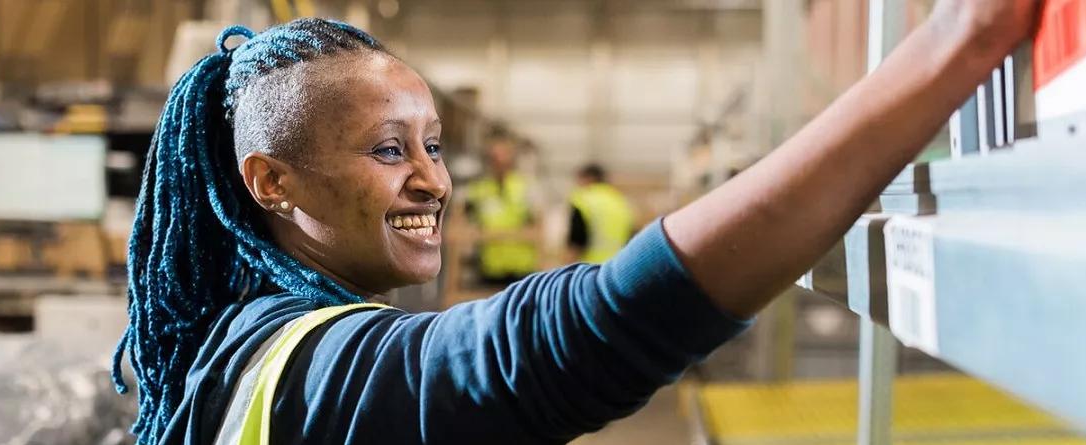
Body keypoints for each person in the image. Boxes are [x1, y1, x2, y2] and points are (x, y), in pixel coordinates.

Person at [113, 3, 1038, 443]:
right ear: (272, 181)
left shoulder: (233, 346)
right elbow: (583, 335)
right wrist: (950, 50)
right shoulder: (315, 374)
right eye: (389, 151)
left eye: (433, 146)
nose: (433, 178)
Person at [463, 138, 538, 285]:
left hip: (522, 266)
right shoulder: (478, 189)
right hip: (490, 267)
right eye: (495, 158)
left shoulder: (525, 187)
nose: (500, 162)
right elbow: (464, 222)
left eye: (504, 156)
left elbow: (538, 223)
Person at [566, 163, 635, 264]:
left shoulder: (582, 200)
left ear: (588, 178)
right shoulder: (619, 200)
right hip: (617, 265)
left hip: (588, 267)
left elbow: (576, 239)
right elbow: (631, 234)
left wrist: (568, 267)